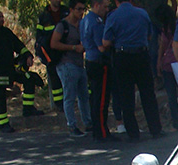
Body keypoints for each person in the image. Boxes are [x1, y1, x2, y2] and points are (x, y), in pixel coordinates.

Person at [103, 0, 163, 140]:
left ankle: (133, 133)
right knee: (148, 93)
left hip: (122, 57)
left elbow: (106, 42)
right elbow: (149, 35)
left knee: (126, 96)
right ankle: (155, 129)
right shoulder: (142, 13)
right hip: (141, 55)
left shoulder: (113, 16)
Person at [0, 9, 45, 133]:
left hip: (10, 70)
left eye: (2, 17)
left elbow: (18, 45)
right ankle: (3, 124)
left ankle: (28, 109)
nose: (2, 19)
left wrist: (28, 55)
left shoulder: (6, 33)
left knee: (30, 78)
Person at [52, 0, 92, 137]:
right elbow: (54, 43)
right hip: (66, 64)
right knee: (70, 96)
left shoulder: (81, 24)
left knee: (84, 96)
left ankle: (88, 123)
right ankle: (72, 125)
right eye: (78, 9)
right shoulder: (62, 26)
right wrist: (73, 48)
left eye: (83, 9)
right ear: (71, 9)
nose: (81, 12)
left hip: (80, 64)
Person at [81, 0, 118, 141]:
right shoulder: (96, 22)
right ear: (97, 5)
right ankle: (102, 132)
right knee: (101, 99)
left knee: (95, 98)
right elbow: (102, 46)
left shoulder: (85, 20)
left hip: (90, 61)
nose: (107, 9)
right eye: (105, 6)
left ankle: (99, 130)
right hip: (99, 63)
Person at [35, 0, 69, 110]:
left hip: (66, 49)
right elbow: (39, 36)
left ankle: (72, 101)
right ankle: (59, 104)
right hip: (51, 52)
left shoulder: (66, 11)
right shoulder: (43, 15)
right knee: (55, 79)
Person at [156, 4, 178, 131]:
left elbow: (162, 46)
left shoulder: (165, 30)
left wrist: (158, 61)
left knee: (171, 96)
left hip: (167, 64)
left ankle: (176, 123)